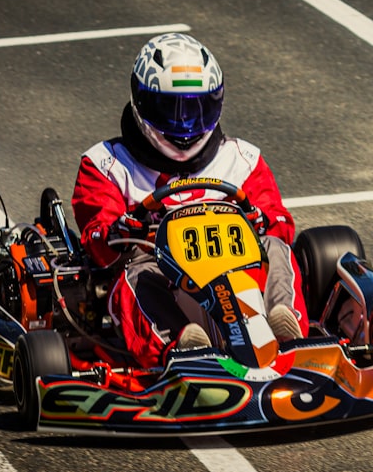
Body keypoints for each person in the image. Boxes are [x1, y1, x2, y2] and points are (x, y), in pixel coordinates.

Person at [71, 32, 307, 369]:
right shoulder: (108, 165)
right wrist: (120, 229)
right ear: (143, 103)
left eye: (196, 108)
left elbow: (279, 222)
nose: (184, 125)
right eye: (170, 108)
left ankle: (286, 326)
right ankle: (181, 346)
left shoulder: (241, 159)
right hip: (160, 273)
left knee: (273, 246)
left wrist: (261, 220)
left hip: (238, 269)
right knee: (136, 275)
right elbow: (96, 238)